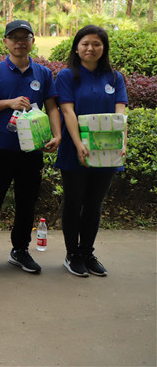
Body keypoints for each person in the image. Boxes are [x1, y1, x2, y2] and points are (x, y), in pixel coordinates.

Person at [0, 20, 62, 275]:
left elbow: (52, 107)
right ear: (5, 42)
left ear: (33, 41)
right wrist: (8, 103)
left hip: (32, 148)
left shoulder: (43, 73)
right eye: (14, 37)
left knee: (27, 201)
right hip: (1, 146)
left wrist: (57, 135)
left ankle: (20, 250)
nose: (20, 42)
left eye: (25, 37)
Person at [54, 25, 127, 277]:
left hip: (107, 152)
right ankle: (72, 254)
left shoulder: (115, 78)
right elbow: (67, 111)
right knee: (74, 202)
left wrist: (122, 142)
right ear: (76, 47)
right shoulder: (67, 76)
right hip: (75, 150)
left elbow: (120, 113)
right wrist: (78, 144)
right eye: (85, 43)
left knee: (95, 204)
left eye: (96, 44)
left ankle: (87, 252)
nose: (90, 48)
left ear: (103, 48)